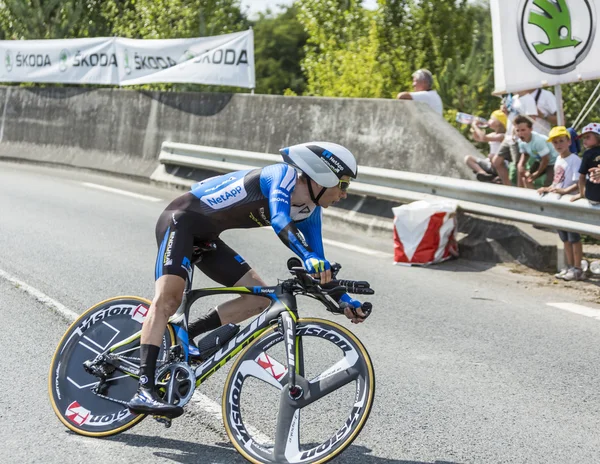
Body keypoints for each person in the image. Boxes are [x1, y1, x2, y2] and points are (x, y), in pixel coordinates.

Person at [126, 142, 372, 418]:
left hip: (207, 238)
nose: (344, 194)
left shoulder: (309, 211)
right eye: (343, 184)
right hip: (180, 221)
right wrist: (306, 256)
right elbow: (279, 220)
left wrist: (345, 300)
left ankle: (184, 336)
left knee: (257, 300)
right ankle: (143, 389)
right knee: (168, 299)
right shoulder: (282, 175)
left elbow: (318, 262)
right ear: (323, 175)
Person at [537, 127, 584, 281]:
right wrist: (548, 188)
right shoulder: (558, 159)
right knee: (564, 238)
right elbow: (558, 181)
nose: (558, 144)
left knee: (573, 237)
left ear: (569, 141)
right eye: (555, 142)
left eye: (561, 141)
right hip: (559, 203)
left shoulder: (575, 160)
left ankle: (577, 268)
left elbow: (579, 182)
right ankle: (570, 266)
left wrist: (565, 191)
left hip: (569, 203)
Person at [514, 115, 558, 188]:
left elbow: (546, 160)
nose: (520, 133)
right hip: (540, 160)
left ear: (531, 129)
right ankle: (530, 197)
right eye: (517, 130)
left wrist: (537, 173)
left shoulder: (538, 141)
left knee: (549, 184)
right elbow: (525, 154)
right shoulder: (521, 141)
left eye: (523, 130)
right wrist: (520, 164)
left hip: (553, 161)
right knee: (527, 178)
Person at [464, 110, 507, 183]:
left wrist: (475, 126)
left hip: (500, 164)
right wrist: (475, 128)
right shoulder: (493, 134)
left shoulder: (502, 136)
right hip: (491, 163)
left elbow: (484, 138)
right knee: (468, 158)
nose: (489, 121)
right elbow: (478, 138)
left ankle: (499, 177)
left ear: (498, 123)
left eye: (491, 119)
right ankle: (484, 174)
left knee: (491, 156)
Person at [570, 123, 600, 206]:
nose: (584, 141)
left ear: (598, 137)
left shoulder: (587, 154)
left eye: (587, 137)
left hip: (593, 197)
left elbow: (582, 176)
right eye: (583, 138)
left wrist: (581, 193)